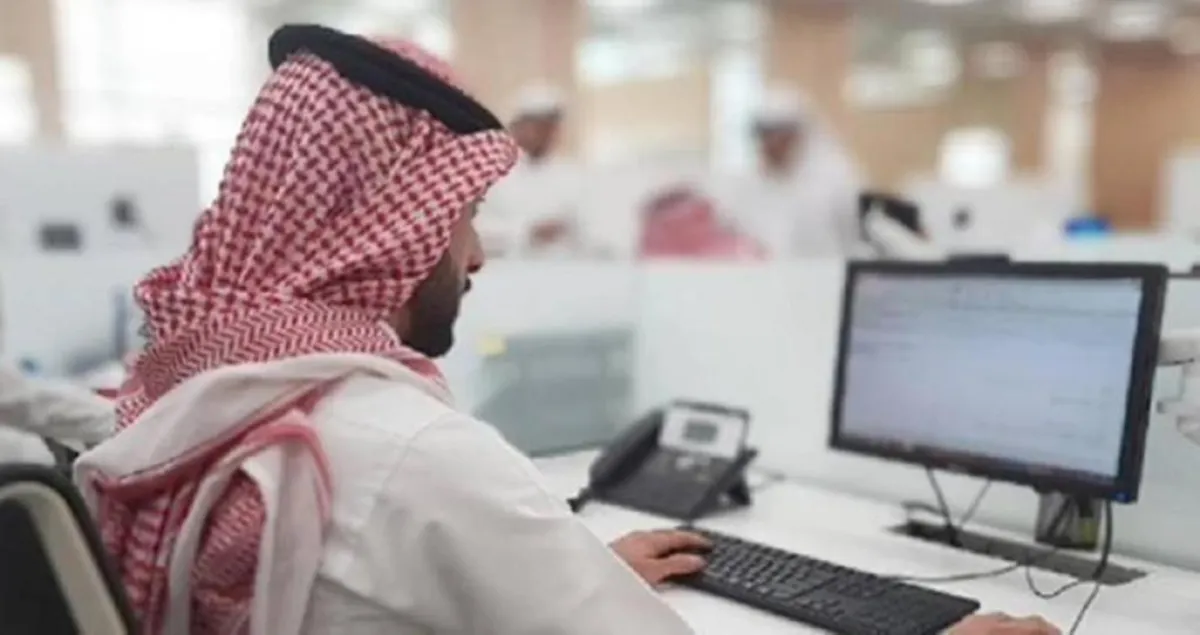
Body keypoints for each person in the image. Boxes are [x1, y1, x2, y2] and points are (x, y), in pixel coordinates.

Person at [72, 26, 1058, 635]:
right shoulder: (408, 450)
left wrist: (561, 574)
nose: (476, 256)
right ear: (388, 228)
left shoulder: (191, 382)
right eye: (462, 220)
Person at [711, 86, 863, 259]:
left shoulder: (837, 181)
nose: (770, 144)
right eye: (764, 135)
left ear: (798, 135)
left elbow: (856, 238)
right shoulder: (748, 184)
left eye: (778, 135)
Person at [476, 84, 588, 258]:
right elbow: (478, 231)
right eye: (538, 126)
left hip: (563, 267)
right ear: (516, 127)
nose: (545, 134)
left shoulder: (573, 175)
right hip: (509, 268)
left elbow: (585, 230)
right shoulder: (492, 174)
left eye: (550, 127)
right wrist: (528, 232)